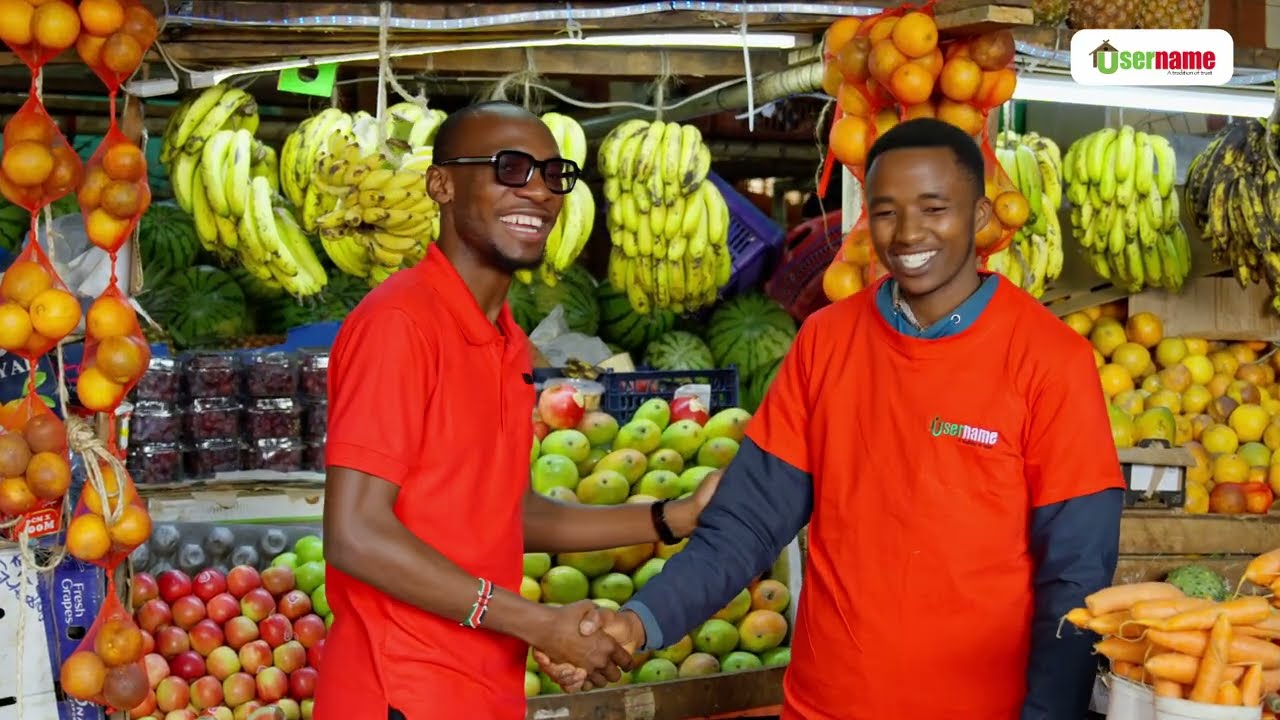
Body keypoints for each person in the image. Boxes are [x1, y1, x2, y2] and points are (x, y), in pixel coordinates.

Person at [542, 117, 1125, 720]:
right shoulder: (825, 341)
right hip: (824, 706)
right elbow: (747, 522)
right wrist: (637, 623)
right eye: (887, 211)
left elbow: (1076, 575)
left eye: (934, 208)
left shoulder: (1051, 359)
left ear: (979, 216)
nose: (909, 232)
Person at [313, 100, 721, 720]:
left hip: (481, 691)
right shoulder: (400, 324)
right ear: (441, 184)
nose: (538, 191)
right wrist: (534, 621)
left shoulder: (506, 342)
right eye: (510, 168)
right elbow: (355, 534)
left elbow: (511, 513)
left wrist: (672, 516)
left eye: (554, 175)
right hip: (399, 693)